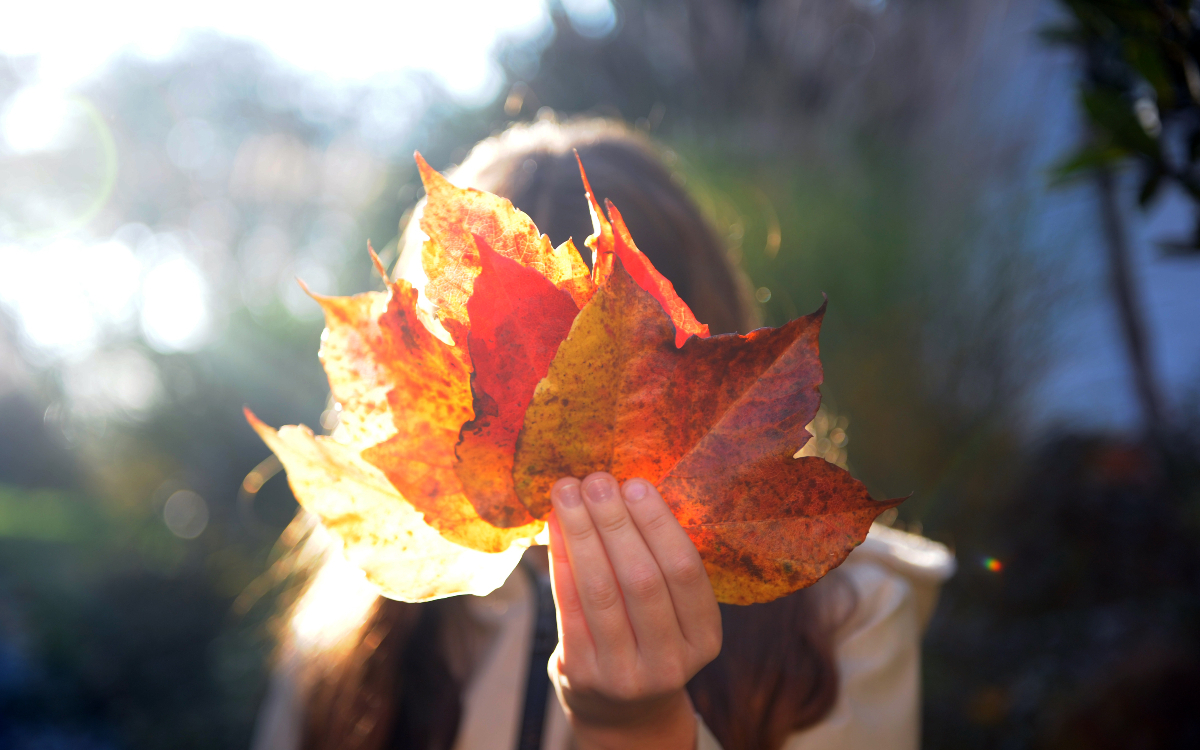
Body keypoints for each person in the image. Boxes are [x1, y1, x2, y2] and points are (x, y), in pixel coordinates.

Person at [251, 118, 955, 750]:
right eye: (496, 380)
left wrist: (643, 731)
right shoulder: (346, 642)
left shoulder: (850, 610)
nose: (548, 443)